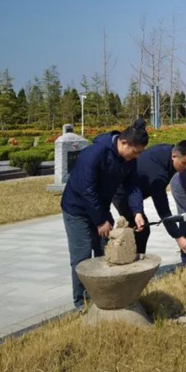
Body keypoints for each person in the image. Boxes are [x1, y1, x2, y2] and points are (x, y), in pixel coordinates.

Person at [61, 118, 149, 309]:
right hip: (77, 209)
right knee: (82, 256)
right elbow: (87, 190)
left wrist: (137, 212)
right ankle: (82, 303)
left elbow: (133, 185)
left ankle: (105, 296)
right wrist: (101, 221)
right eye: (136, 152)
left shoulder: (129, 159)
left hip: (100, 207)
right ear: (124, 143)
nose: (138, 156)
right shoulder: (95, 153)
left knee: (106, 249)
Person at [112, 140, 186, 255]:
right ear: (174, 156)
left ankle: (134, 257)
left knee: (140, 229)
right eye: (184, 163)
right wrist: (178, 236)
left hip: (137, 188)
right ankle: (132, 260)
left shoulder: (169, 151)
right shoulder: (157, 175)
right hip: (123, 193)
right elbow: (163, 209)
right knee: (141, 229)